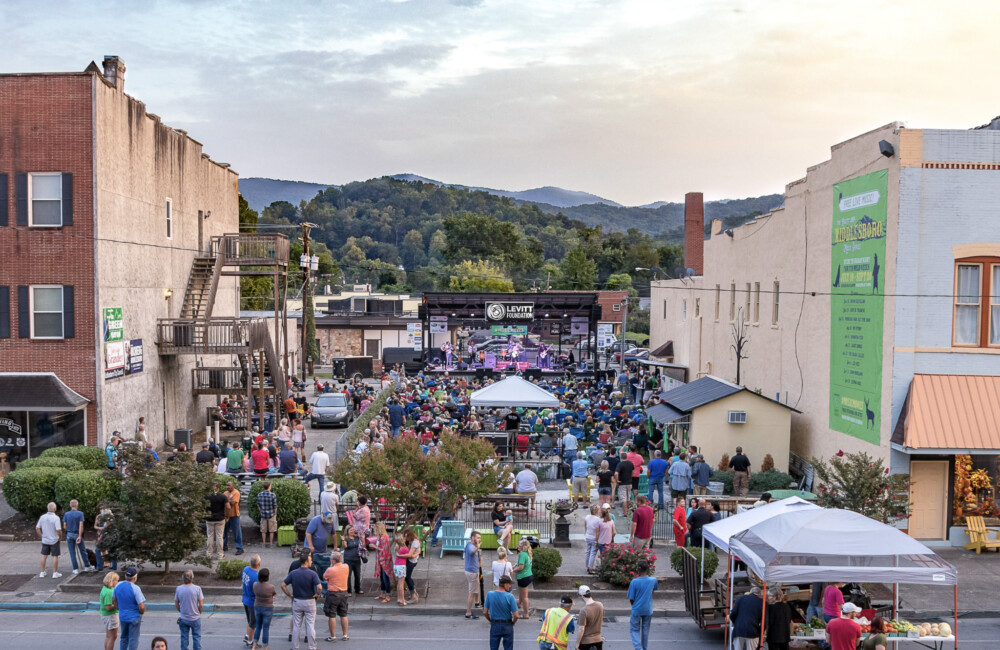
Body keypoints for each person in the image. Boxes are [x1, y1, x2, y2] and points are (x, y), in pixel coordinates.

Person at [281, 550, 322, 650]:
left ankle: (295, 647)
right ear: (306, 562)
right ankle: (312, 647)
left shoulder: (294, 573)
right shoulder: (312, 573)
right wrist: (317, 594)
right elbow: (319, 587)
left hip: (297, 601)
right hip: (310, 601)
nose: (311, 561)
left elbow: (283, 585)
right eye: (310, 560)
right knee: (310, 625)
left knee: (296, 625)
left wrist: (290, 595)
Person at [626, 559, 657, 650]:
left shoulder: (634, 582)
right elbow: (653, 590)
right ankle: (644, 648)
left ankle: (638, 648)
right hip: (648, 609)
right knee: (645, 630)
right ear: (647, 569)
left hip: (636, 609)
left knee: (634, 629)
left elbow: (631, 598)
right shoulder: (653, 580)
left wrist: (634, 606)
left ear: (638, 570)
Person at [112, 567, 146, 650]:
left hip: (123, 616)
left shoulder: (118, 585)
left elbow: (114, 600)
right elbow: (141, 606)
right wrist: (141, 612)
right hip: (134, 617)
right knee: (133, 639)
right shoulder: (136, 588)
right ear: (135, 578)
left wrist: (120, 608)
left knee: (124, 638)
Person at [483, 575, 519, 650]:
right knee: (508, 647)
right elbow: (516, 616)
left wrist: (490, 620)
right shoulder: (510, 597)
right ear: (505, 584)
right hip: (507, 624)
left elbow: (485, 612)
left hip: (495, 624)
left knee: (493, 647)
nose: (510, 586)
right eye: (509, 584)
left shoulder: (490, 594)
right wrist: (513, 623)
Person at [322, 552, 350, 642]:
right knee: (343, 614)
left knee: (332, 615)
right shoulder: (346, 567)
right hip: (344, 593)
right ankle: (345, 635)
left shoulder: (330, 569)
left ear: (333, 561)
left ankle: (332, 636)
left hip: (333, 594)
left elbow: (324, 578)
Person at [174, 570, 204, 650]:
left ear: (183, 578)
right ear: (192, 578)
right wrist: (199, 613)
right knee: (196, 637)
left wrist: (181, 611)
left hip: (183, 618)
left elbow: (176, 604)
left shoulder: (179, 589)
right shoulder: (197, 589)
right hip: (195, 618)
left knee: (184, 637)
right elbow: (201, 605)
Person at [62, 498, 93, 574]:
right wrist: (79, 535)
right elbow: (81, 525)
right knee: (82, 550)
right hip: (77, 534)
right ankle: (87, 566)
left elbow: (64, 526)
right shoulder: (80, 514)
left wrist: (68, 530)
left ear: (70, 505)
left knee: (72, 552)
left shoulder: (66, 514)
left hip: (69, 534)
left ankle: (75, 568)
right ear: (77, 505)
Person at [36, 501, 63, 578]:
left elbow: (37, 528)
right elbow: (58, 530)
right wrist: (60, 536)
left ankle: (42, 572)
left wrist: (41, 536)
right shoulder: (56, 518)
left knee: (44, 556)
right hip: (54, 539)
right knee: (55, 556)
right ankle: (54, 573)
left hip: (45, 539)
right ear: (54, 509)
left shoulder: (42, 517)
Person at [252, 567, 276, 650]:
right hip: (268, 608)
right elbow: (273, 594)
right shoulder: (271, 587)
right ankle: (265, 647)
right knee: (265, 628)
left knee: (258, 626)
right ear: (267, 577)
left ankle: (254, 645)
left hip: (257, 607)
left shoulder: (255, 585)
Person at [576, 585, 604, 650]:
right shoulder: (600, 605)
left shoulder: (583, 610)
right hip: (598, 640)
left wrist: (577, 644)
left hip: (586, 642)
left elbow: (581, 629)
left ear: (582, 596)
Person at [205, 484, 228, 561]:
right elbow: (228, 507)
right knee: (219, 537)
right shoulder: (222, 496)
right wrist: (227, 515)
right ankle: (220, 555)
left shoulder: (206, 496)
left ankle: (209, 554)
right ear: (218, 488)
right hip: (220, 518)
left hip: (209, 518)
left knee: (210, 536)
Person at [241, 555, 261, 646]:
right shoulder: (256, 577)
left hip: (245, 599)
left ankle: (247, 635)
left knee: (249, 620)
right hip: (252, 602)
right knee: (253, 623)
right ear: (259, 564)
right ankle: (250, 641)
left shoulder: (245, 569)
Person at [372, 521, 394, 604]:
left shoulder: (383, 538)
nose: (374, 531)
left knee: (385, 579)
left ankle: (387, 595)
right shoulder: (380, 537)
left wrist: (374, 546)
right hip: (381, 561)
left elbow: (383, 550)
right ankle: (382, 593)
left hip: (384, 561)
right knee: (382, 578)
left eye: (375, 529)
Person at [513, 537, 533, 619]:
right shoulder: (528, 554)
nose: (518, 546)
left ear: (524, 547)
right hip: (529, 575)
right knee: (521, 592)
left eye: (520, 545)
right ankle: (519, 604)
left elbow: (521, 567)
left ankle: (526, 614)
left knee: (525, 596)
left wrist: (513, 570)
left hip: (523, 577)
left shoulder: (522, 554)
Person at [341, 523, 364, 595]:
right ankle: (349, 590)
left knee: (357, 574)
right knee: (348, 575)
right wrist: (343, 540)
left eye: (353, 530)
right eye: (351, 530)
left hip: (357, 559)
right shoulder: (346, 538)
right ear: (347, 531)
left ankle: (358, 589)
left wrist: (363, 538)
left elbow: (362, 545)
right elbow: (345, 546)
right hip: (348, 559)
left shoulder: (357, 537)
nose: (352, 531)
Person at [223, 481, 245, 556]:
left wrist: (226, 500)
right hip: (226, 515)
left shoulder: (236, 493)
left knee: (236, 532)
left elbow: (233, 503)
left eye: (229, 485)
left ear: (233, 486)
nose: (227, 487)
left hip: (234, 516)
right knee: (224, 531)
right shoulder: (225, 493)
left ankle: (240, 548)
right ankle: (224, 546)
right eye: (227, 485)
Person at [100, 570, 120, 650]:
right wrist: (116, 605)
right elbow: (108, 607)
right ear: (112, 581)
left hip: (105, 615)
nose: (117, 582)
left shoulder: (105, 588)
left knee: (108, 636)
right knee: (113, 637)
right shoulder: (109, 592)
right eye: (116, 581)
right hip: (111, 615)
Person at [464, 531, 482, 619]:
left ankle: (477, 603)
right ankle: (468, 612)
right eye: (477, 538)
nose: (479, 540)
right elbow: (472, 552)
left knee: (476, 587)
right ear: (472, 537)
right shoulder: (470, 546)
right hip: (472, 572)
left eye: (480, 538)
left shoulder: (469, 545)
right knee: (471, 592)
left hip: (473, 571)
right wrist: (477, 548)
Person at [256, 481, 278, 548]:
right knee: (272, 530)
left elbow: (258, 505)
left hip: (263, 514)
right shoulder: (272, 495)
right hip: (271, 514)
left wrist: (261, 511)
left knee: (263, 530)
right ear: (269, 486)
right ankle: (271, 544)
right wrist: (275, 514)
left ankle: (264, 544)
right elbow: (275, 506)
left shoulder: (259, 494)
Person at [403, 527, 422, 603]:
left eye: (406, 536)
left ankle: (413, 595)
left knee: (407, 577)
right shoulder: (410, 542)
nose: (405, 538)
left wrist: (399, 555)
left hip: (412, 561)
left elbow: (410, 555)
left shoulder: (415, 542)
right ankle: (413, 592)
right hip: (410, 560)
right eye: (404, 536)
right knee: (407, 577)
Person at [583, 504, 601, 574]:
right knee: (593, 553)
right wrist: (596, 541)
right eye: (599, 510)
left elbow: (585, 526)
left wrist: (586, 533)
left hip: (588, 536)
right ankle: (590, 567)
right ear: (596, 511)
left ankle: (587, 566)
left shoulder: (587, 517)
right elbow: (597, 532)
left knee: (587, 551)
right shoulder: (598, 520)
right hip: (594, 538)